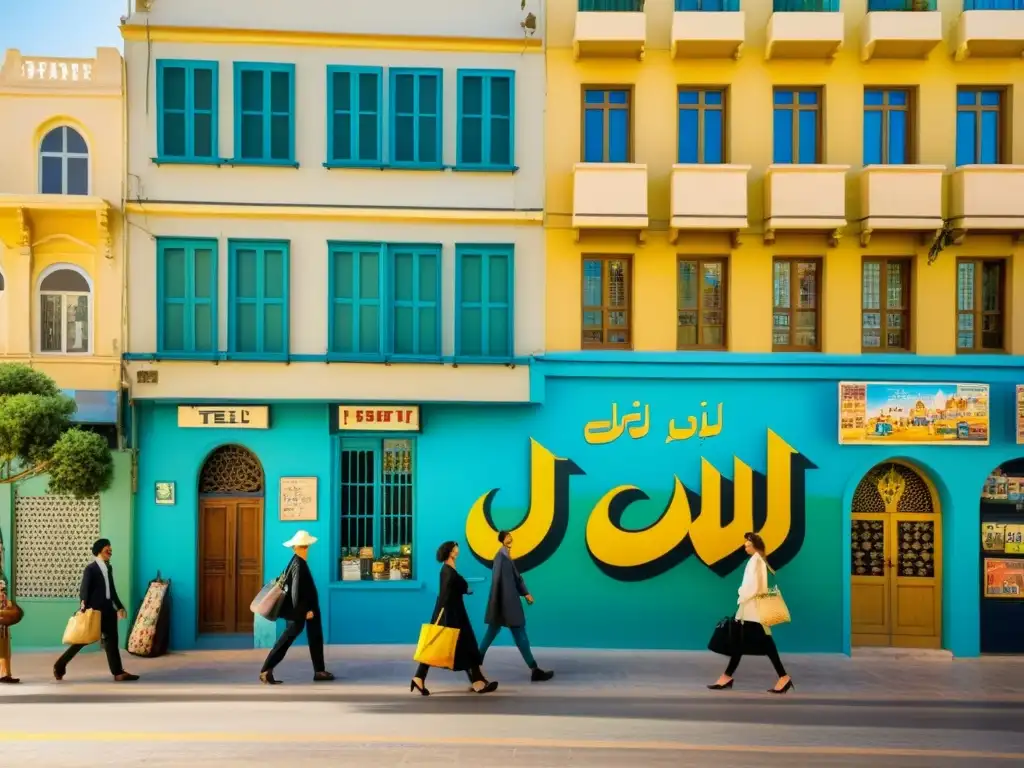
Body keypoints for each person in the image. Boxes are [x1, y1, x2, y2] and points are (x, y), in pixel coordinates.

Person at [708, 532, 794, 694]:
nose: (745, 547)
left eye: (748, 545)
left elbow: (754, 587)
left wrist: (741, 594)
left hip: (752, 609)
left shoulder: (755, 562)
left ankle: (783, 677)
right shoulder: (758, 561)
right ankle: (726, 677)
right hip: (750, 608)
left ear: (755, 546)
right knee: (740, 643)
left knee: (765, 643)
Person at [410, 541, 498, 696]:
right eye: (455, 547)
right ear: (450, 552)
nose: (458, 549)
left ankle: (419, 677)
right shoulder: (447, 571)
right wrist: (444, 614)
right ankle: (477, 682)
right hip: (452, 615)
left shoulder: (448, 569)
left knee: (443, 646)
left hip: (454, 613)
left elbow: (454, 589)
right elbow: (447, 594)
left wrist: (464, 589)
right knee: (459, 645)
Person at [54, 539, 139, 682]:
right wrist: (83, 605)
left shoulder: (108, 568)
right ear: (100, 549)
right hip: (94, 610)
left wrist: (119, 606)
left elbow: (111, 590)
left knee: (112, 641)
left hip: (108, 610)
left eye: (111, 549)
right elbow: (84, 589)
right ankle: (60, 665)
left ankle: (118, 672)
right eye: (108, 548)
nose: (110, 550)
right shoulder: (91, 569)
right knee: (82, 640)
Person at [260, 530, 334, 684]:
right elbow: (295, 592)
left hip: (308, 609)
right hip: (302, 611)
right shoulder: (298, 564)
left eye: (306, 546)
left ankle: (319, 670)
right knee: (287, 638)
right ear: (298, 547)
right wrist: (303, 612)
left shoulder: (297, 562)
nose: (307, 549)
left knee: (315, 637)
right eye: (304, 546)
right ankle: (266, 670)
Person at [479, 530, 553, 682]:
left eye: (510, 536)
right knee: (519, 636)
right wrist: (503, 605)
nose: (510, 538)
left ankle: (474, 665)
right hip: (507, 605)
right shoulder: (501, 557)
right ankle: (534, 670)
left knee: (496, 634)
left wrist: (525, 593)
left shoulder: (505, 556)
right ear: (502, 540)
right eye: (507, 537)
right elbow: (500, 582)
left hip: (505, 604)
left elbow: (514, 578)